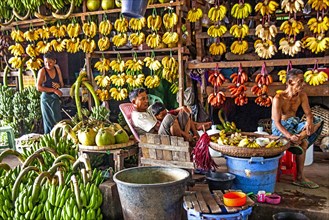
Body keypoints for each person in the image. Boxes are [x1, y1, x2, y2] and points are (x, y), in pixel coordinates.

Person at [271, 68, 323, 189]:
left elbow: (309, 113)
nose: (303, 84)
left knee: (317, 122)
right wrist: (289, 136)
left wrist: (309, 121)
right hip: (282, 128)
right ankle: (295, 142)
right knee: (303, 144)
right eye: (300, 82)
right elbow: (277, 123)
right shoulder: (278, 98)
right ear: (290, 82)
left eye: (303, 81)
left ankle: (297, 140)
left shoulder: (302, 95)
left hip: (295, 125)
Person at [129, 88, 199, 142]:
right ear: (134, 102)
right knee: (169, 118)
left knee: (182, 113)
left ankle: (195, 136)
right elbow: (157, 128)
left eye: (147, 98)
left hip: (164, 133)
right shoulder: (138, 117)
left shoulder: (148, 109)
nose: (146, 101)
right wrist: (184, 133)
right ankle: (186, 138)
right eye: (143, 99)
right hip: (156, 139)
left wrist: (178, 112)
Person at [36, 52, 64, 134]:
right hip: (46, 99)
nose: (48, 64)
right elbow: (38, 87)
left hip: (55, 99)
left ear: (55, 61)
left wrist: (58, 85)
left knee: (57, 120)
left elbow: (62, 84)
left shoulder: (57, 69)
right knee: (48, 122)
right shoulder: (42, 71)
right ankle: (49, 141)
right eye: (46, 62)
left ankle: (59, 140)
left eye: (50, 62)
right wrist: (54, 90)